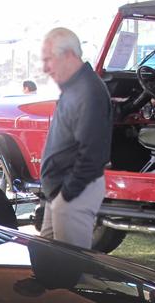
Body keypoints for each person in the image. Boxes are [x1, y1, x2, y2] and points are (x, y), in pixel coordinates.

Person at [38, 27, 112, 249]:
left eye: (49, 60)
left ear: (69, 55)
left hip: (73, 192)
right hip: (61, 192)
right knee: (46, 257)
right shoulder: (76, 87)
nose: (45, 68)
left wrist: (66, 195)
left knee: (73, 268)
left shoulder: (88, 91)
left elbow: (93, 154)